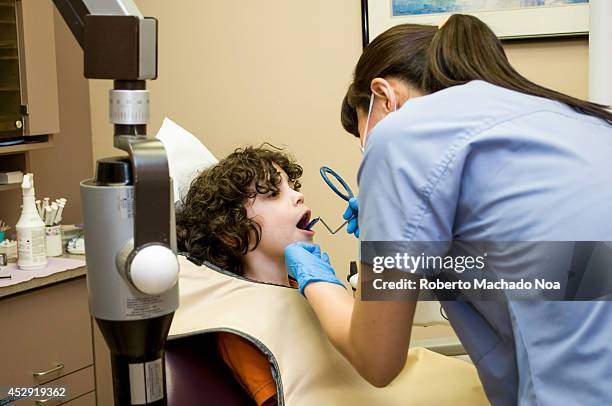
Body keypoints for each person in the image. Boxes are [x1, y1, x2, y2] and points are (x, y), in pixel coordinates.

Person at [284, 14, 612, 406]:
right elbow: (554, 273)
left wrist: (320, 282)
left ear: (383, 96)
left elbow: (377, 360)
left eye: (363, 136)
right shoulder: (569, 118)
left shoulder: (401, 135)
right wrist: (423, 255)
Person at [176, 145, 321, 406]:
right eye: (274, 193)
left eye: (292, 186)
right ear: (231, 232)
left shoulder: (304, 287)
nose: (299, 195)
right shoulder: (241, 327)